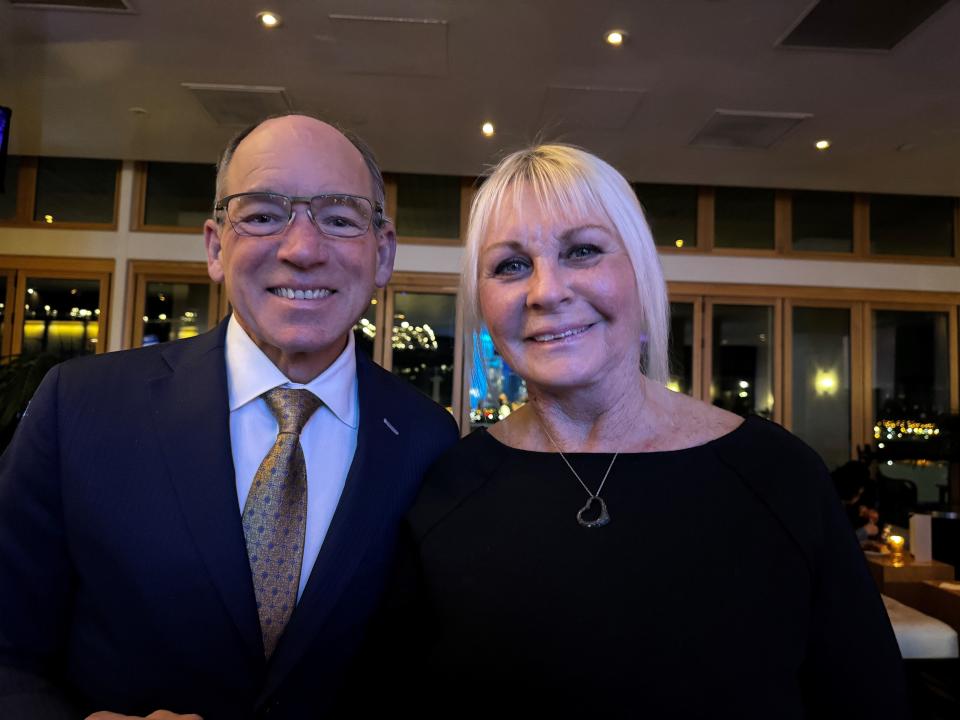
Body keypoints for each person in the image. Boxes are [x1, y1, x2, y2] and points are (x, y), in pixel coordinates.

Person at [366, 144, 909, 717]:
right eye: (511, 265)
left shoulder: (779, 476)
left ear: (640, 272)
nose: (546, 291)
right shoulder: (444, 487)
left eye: (581, 251)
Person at [0, 114, 458, 720]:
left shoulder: (428, 441)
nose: (302, 250)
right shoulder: (80, 409)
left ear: (383, 253)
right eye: (264, 215)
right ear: (216, 247)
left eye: (341, 219)